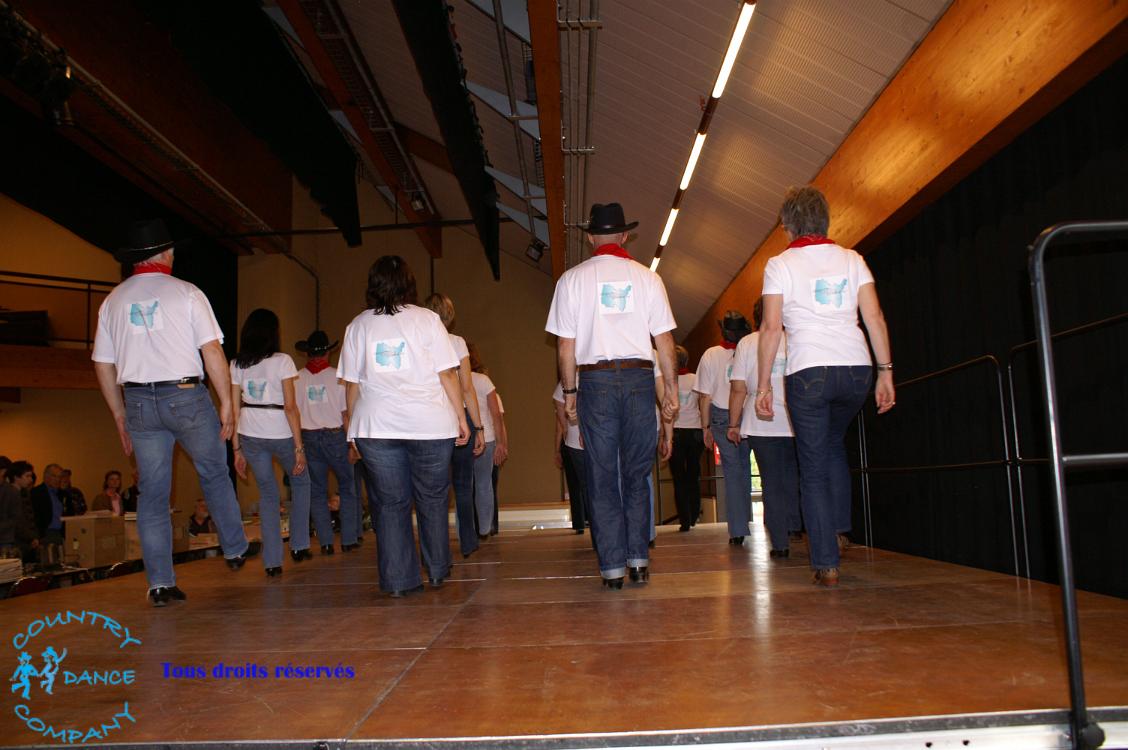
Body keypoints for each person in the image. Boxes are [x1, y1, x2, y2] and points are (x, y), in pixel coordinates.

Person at [92, 218, 260, 606]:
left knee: (152, 494)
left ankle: (160, 583)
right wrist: (227, 402)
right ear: (166, 253)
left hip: (137, 400)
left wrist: (118, 414)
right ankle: (234, 548)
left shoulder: (112, 301)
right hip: (185, 396)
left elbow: (102, 364)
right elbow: (212, 350)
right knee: (213, 471)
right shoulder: (187, 292)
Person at [755, 186, 895, 587]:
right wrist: (885, 372)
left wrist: (763, 385)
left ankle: (826, 562)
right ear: (826, 221)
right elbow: (875, 317)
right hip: (856, 370)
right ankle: (839, 529)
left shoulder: (780, 264)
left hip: (809, 372)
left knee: (812, 464)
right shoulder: (853, 259)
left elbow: (771, 328)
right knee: (833, 445)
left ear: (787, 226)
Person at [545, 202, 678, 589]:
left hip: (596, 382)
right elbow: (664, 341)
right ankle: (638, 560)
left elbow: (565, 347)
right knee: (637, 474)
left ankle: (612, 569)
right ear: (624, 235)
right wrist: (671, 391)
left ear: (590, 237)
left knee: (602, 477)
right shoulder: (648, 278)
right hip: (639, 379)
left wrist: (570, 392)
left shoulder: (571, 281)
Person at [338, 255, 470, 596]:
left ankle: (398, 581)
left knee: (390, 503)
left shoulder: (357, 326)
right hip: (430, 425)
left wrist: (351, 428)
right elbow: (447, 373)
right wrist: (461, 417)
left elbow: (352, 385)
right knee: (432, 498)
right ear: (409, 284)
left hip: (376, 427)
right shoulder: (427, 320)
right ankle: (437, 570)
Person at [230, 308, 310, 577]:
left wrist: (236, 448)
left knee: (267, 494)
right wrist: (299, 448)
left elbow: (233, 410)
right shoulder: (283, 361)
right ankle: (299, 544)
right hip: (281, 432)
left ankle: (272, 562)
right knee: (301, 481)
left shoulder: (237, 364)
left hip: (249, 432)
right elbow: (291, 407)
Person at [729, 299, 801, 558]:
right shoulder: (795, 337)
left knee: (771, 481)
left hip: (760, 422)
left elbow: (738, 388)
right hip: (795, 419)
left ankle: (780, 543)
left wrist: (733, 423)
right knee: (795, 477)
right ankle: (794, 525)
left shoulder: (747, 343)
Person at [422, 293, 485, 558]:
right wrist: (478, 427)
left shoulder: (420, 341)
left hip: (430, 420)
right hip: (459, 418)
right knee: (462, 485)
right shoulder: (457, 342)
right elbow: (467, 388)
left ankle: (435, 548)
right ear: (450, 316)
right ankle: (468, 542)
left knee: (432, 489)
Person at [294, 329, 361, 552]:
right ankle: (349, 540)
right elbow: (345, 414)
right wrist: (352, 443)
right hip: (335, 436)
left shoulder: (296, 378)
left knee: (317, 491)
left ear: (307, 353)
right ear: (328, 353)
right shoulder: (337, 377)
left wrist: (297, 446)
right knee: (347, 487)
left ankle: (325, 543)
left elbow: (293, 412)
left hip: (308, 437)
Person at [695, 311, 754, 545]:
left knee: (732, 470)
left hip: (720, 416)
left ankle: (738, 530)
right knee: (745, 467)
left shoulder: (711, 354)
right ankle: (747, 520)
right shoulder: (750, 349)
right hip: (748, 413)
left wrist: (705, 427)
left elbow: (705, 396)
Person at [467, 344, 508, 540]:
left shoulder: (450, 379)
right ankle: (484, 530)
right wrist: (501, 443)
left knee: (463, 488)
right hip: (488, 437)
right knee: (484, 485)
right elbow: (496, 415)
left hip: (460, 439)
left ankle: (466, 533)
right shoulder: (483, 380)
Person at [669, 345, 704, 532]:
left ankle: (684, 520)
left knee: (678, 478)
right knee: (693, 474)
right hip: (695, 431)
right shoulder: (695, 379)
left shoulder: (668, 382)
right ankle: (694, 514)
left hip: (676, 431)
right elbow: (703, 402)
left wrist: (664, 435)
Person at [553, 381, 589, 535]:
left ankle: (579, 523)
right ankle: (589, 519)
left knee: (575, 484)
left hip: (570, 442)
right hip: (581, 441)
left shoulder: (566, 384)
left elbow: (559, 426)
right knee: (588, 484)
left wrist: (557, 450)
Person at [1, 458, 39, 558]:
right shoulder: (13, 493)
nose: (31, 480)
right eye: (27, 476)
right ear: (16, 477)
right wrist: (31, 538)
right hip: (13, 539)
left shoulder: (12, 491)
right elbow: (17, 520)